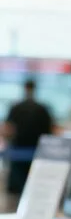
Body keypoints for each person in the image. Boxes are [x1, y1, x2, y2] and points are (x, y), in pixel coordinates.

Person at [2, 79, 56, 212]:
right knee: (33, 187)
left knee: (16, 191)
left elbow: (8, 129)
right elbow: (50, 132)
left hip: (18, 154)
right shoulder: (42, 109)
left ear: (25, 88)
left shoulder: (16, 108)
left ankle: (15, 213)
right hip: (37, 153)